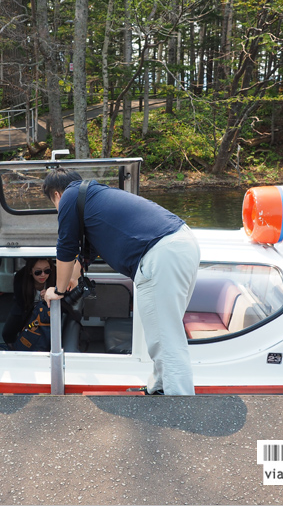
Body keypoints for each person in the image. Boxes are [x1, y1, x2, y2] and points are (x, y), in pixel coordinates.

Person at [42, 168, 201, 395]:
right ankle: (160, 387)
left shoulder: (68, 196)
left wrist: (56, 291)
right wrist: (71, 279)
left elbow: (66, 247)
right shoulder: (94, 199)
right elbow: (83, 257)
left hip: (161, 254)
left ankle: (179, 407)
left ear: (55, 195)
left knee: (166, 341)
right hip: (181, 242)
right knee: (163, 332)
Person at [1, 258, 57, 348]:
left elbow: (64, 301)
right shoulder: (20, 279)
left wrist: (51, 298)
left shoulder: (56, 277)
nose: (43, 275)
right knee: (7, 333)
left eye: (47, 270)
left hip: (50, 309)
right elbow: (21, 304)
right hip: (25, 306)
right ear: (30, 271)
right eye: (38, 272)